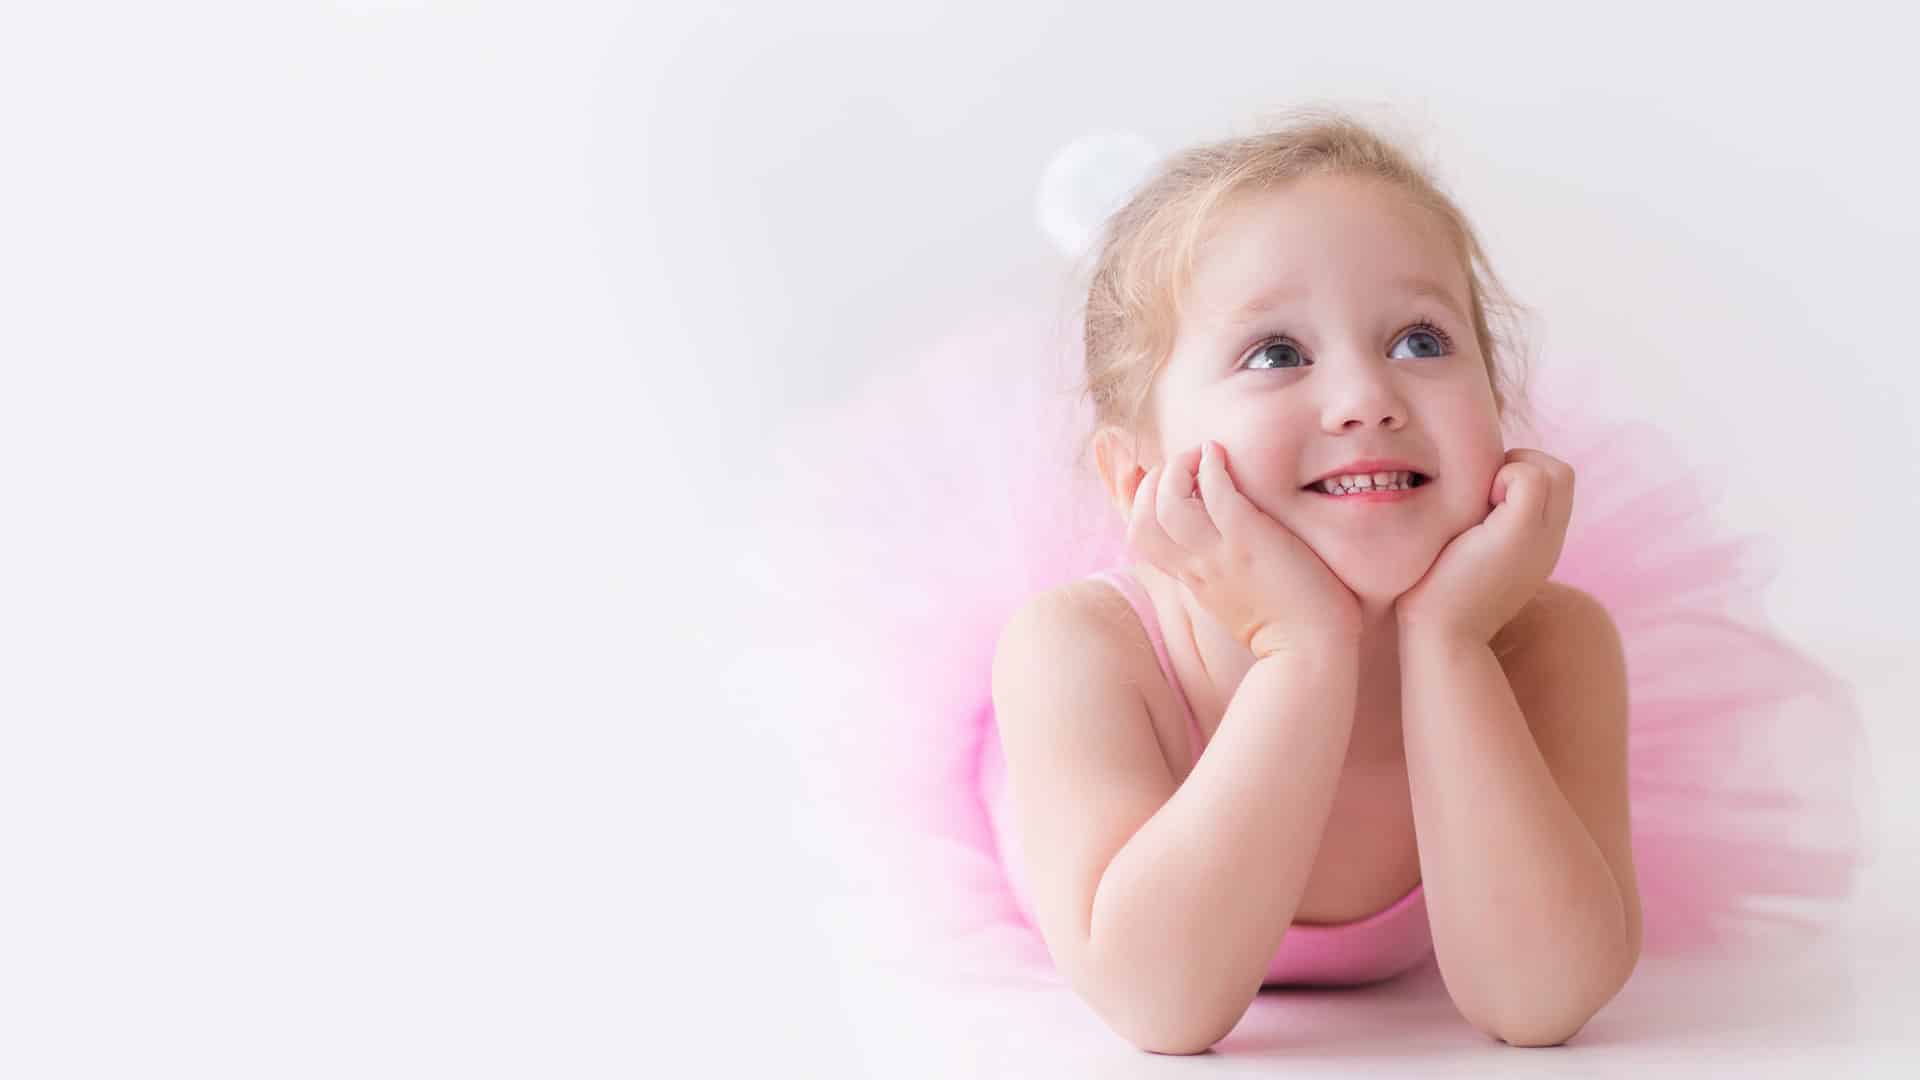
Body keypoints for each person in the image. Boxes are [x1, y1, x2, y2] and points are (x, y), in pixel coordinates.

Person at [735, 104, 1865, 1055]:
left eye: (1422, 340)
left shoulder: (1541, 643)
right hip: (1103, 875)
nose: (1368, 395)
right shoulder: (1078, 653)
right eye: (1277, 354)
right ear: (1138, 477)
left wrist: (1447, 645)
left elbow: (1538, 1005)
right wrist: (1303, 652)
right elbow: (1163, 1010)